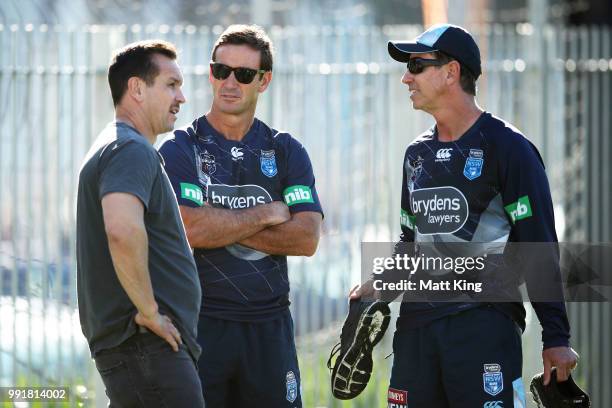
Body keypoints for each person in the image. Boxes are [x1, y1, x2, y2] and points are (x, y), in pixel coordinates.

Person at [350, 24, 578, 408]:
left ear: (451, 72)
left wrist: (555, 337)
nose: (406, 77)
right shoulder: (415, 155)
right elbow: (411, 241)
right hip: (417, 329)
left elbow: (538, 246)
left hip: (484, 327)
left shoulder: (510, 147)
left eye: (417, 66)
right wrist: (381, 285)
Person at [158, 25, 323, 407]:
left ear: (263, 81)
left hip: (269, 328)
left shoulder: (285, 150)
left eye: (244, 74)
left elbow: (306, 238)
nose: (229, 82)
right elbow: (188, 226)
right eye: (221, 70)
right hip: (200, 325)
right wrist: (267, 213)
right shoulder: (182, 147)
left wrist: (218, 223)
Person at [76, 40, 204, 407]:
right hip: (147, 349)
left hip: (142, 353)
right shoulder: (129, 148)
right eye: (171, 84)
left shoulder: (118, 146)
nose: (182, 97)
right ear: (136, 88)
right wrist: (150, 313)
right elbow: (121, 228)